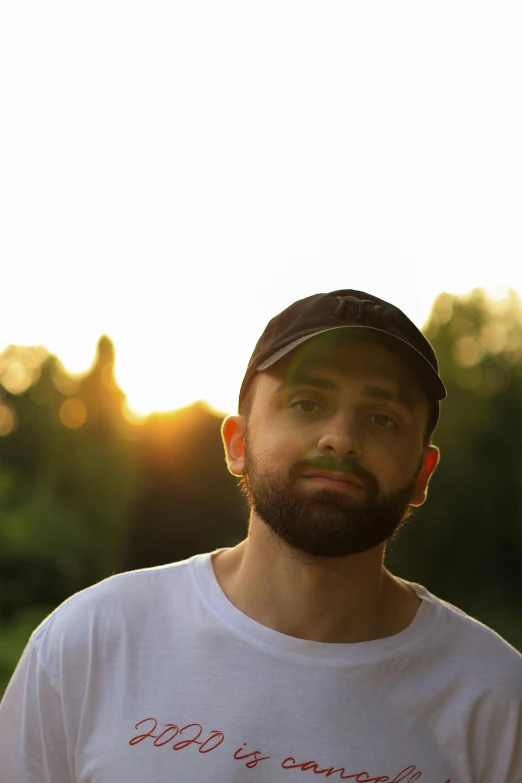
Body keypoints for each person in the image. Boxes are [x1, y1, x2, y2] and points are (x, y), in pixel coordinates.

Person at [0, 289, 521, 783]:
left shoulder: (496, 700)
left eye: (382, 418)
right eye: (307, 404)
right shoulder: (90, 643)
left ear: (422, 474)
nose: (339, 439)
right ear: (238, 444)